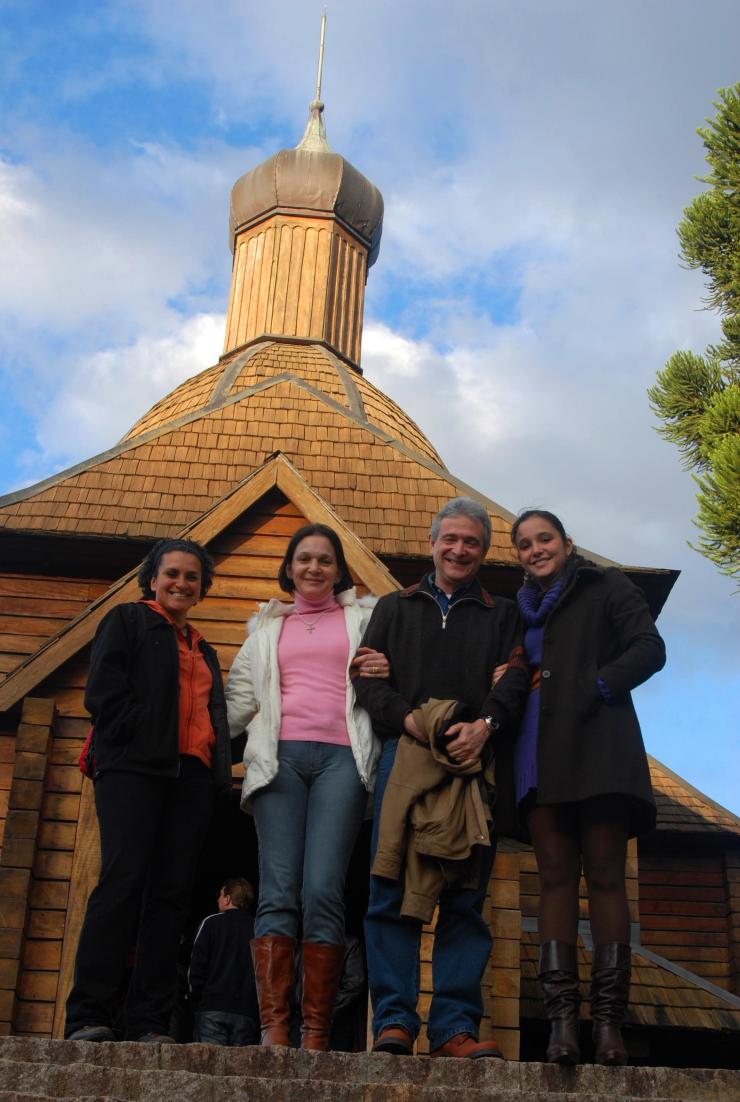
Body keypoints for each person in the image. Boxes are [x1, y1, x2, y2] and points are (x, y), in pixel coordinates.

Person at [353, 497, 529, 1060]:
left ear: (482, 551)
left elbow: (516, 682)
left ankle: (454, 1026)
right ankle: (395, 1022)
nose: (458, 550)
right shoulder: (393, 607)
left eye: (471, 542)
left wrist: (486, 725)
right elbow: (367, 681)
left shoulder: (503, 614)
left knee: (465, 899)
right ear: (432, 543)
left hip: (473, 767)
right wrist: (412, 721)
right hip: (403, 760)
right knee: (389, 893)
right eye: (449, 539)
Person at [508, 509, 665, 1067]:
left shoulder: (606, 585)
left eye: (544, 538)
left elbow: (649, 648)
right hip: (538, 749)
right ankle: (561, 1029)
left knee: (604, 876)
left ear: (567, 543)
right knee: (553, 879)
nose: (535, 549)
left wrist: (596, 684)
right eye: (524, 544)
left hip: (600, 746)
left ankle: (608, 1027)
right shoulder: (518, 610)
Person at [225, 523, 388, 1051]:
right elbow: (234, 708)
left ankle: (315, 1029)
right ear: (289, 568)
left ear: (339, 570)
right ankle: (275, 1026)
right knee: (276, 891)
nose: (314, 568)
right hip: (280, 762)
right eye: (304, 559)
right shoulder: (264, 633)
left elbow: (393, 675)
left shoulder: (366, 619)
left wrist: (388, 669)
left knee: (322, 889)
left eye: (324, 560)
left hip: (343, 759)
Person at [65, 538, 232, 1044]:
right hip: (134, 770)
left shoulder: (204, 648)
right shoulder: (128, 621)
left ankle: (149, 1022)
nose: (181, 583)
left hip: (192, 780)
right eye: (172, 574)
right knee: (122, 883)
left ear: (201, 588)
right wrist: (141, 734)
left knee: (170, 898)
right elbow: (104, 693)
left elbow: (213, 716)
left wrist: (217, 762)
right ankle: (89, 1014)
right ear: (153, 579)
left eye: (191, 577)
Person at [189, 877, 259, 1046]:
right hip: (246, 1012)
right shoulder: (259, 927)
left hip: (212, 1008)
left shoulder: (211, 922)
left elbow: (197, 965)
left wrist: (195, 998)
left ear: (227, 898)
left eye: (220, 895)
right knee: (240, 1070)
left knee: (208, 1068)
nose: (218, 899)